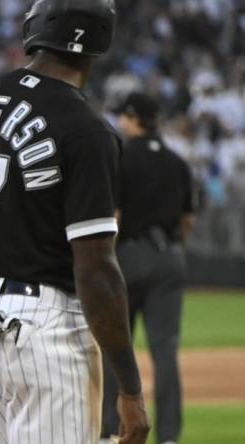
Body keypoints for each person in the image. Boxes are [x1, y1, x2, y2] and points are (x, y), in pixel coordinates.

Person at [0, 1, 150, 443]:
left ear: (33, 27)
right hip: (45, 328)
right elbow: (96, 267)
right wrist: (129, 387)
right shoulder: (88, 129)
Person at [101, 92, 195, 444]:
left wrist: (106, 263)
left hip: (129, 256)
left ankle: (109, 431)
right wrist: (172, 250)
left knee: (114, 345)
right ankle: (168, 437)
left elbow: (117, 217)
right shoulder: (177, 161)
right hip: (170, 256)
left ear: (132, 117)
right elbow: (188, 219)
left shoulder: (121, 158)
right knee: (166, 351)